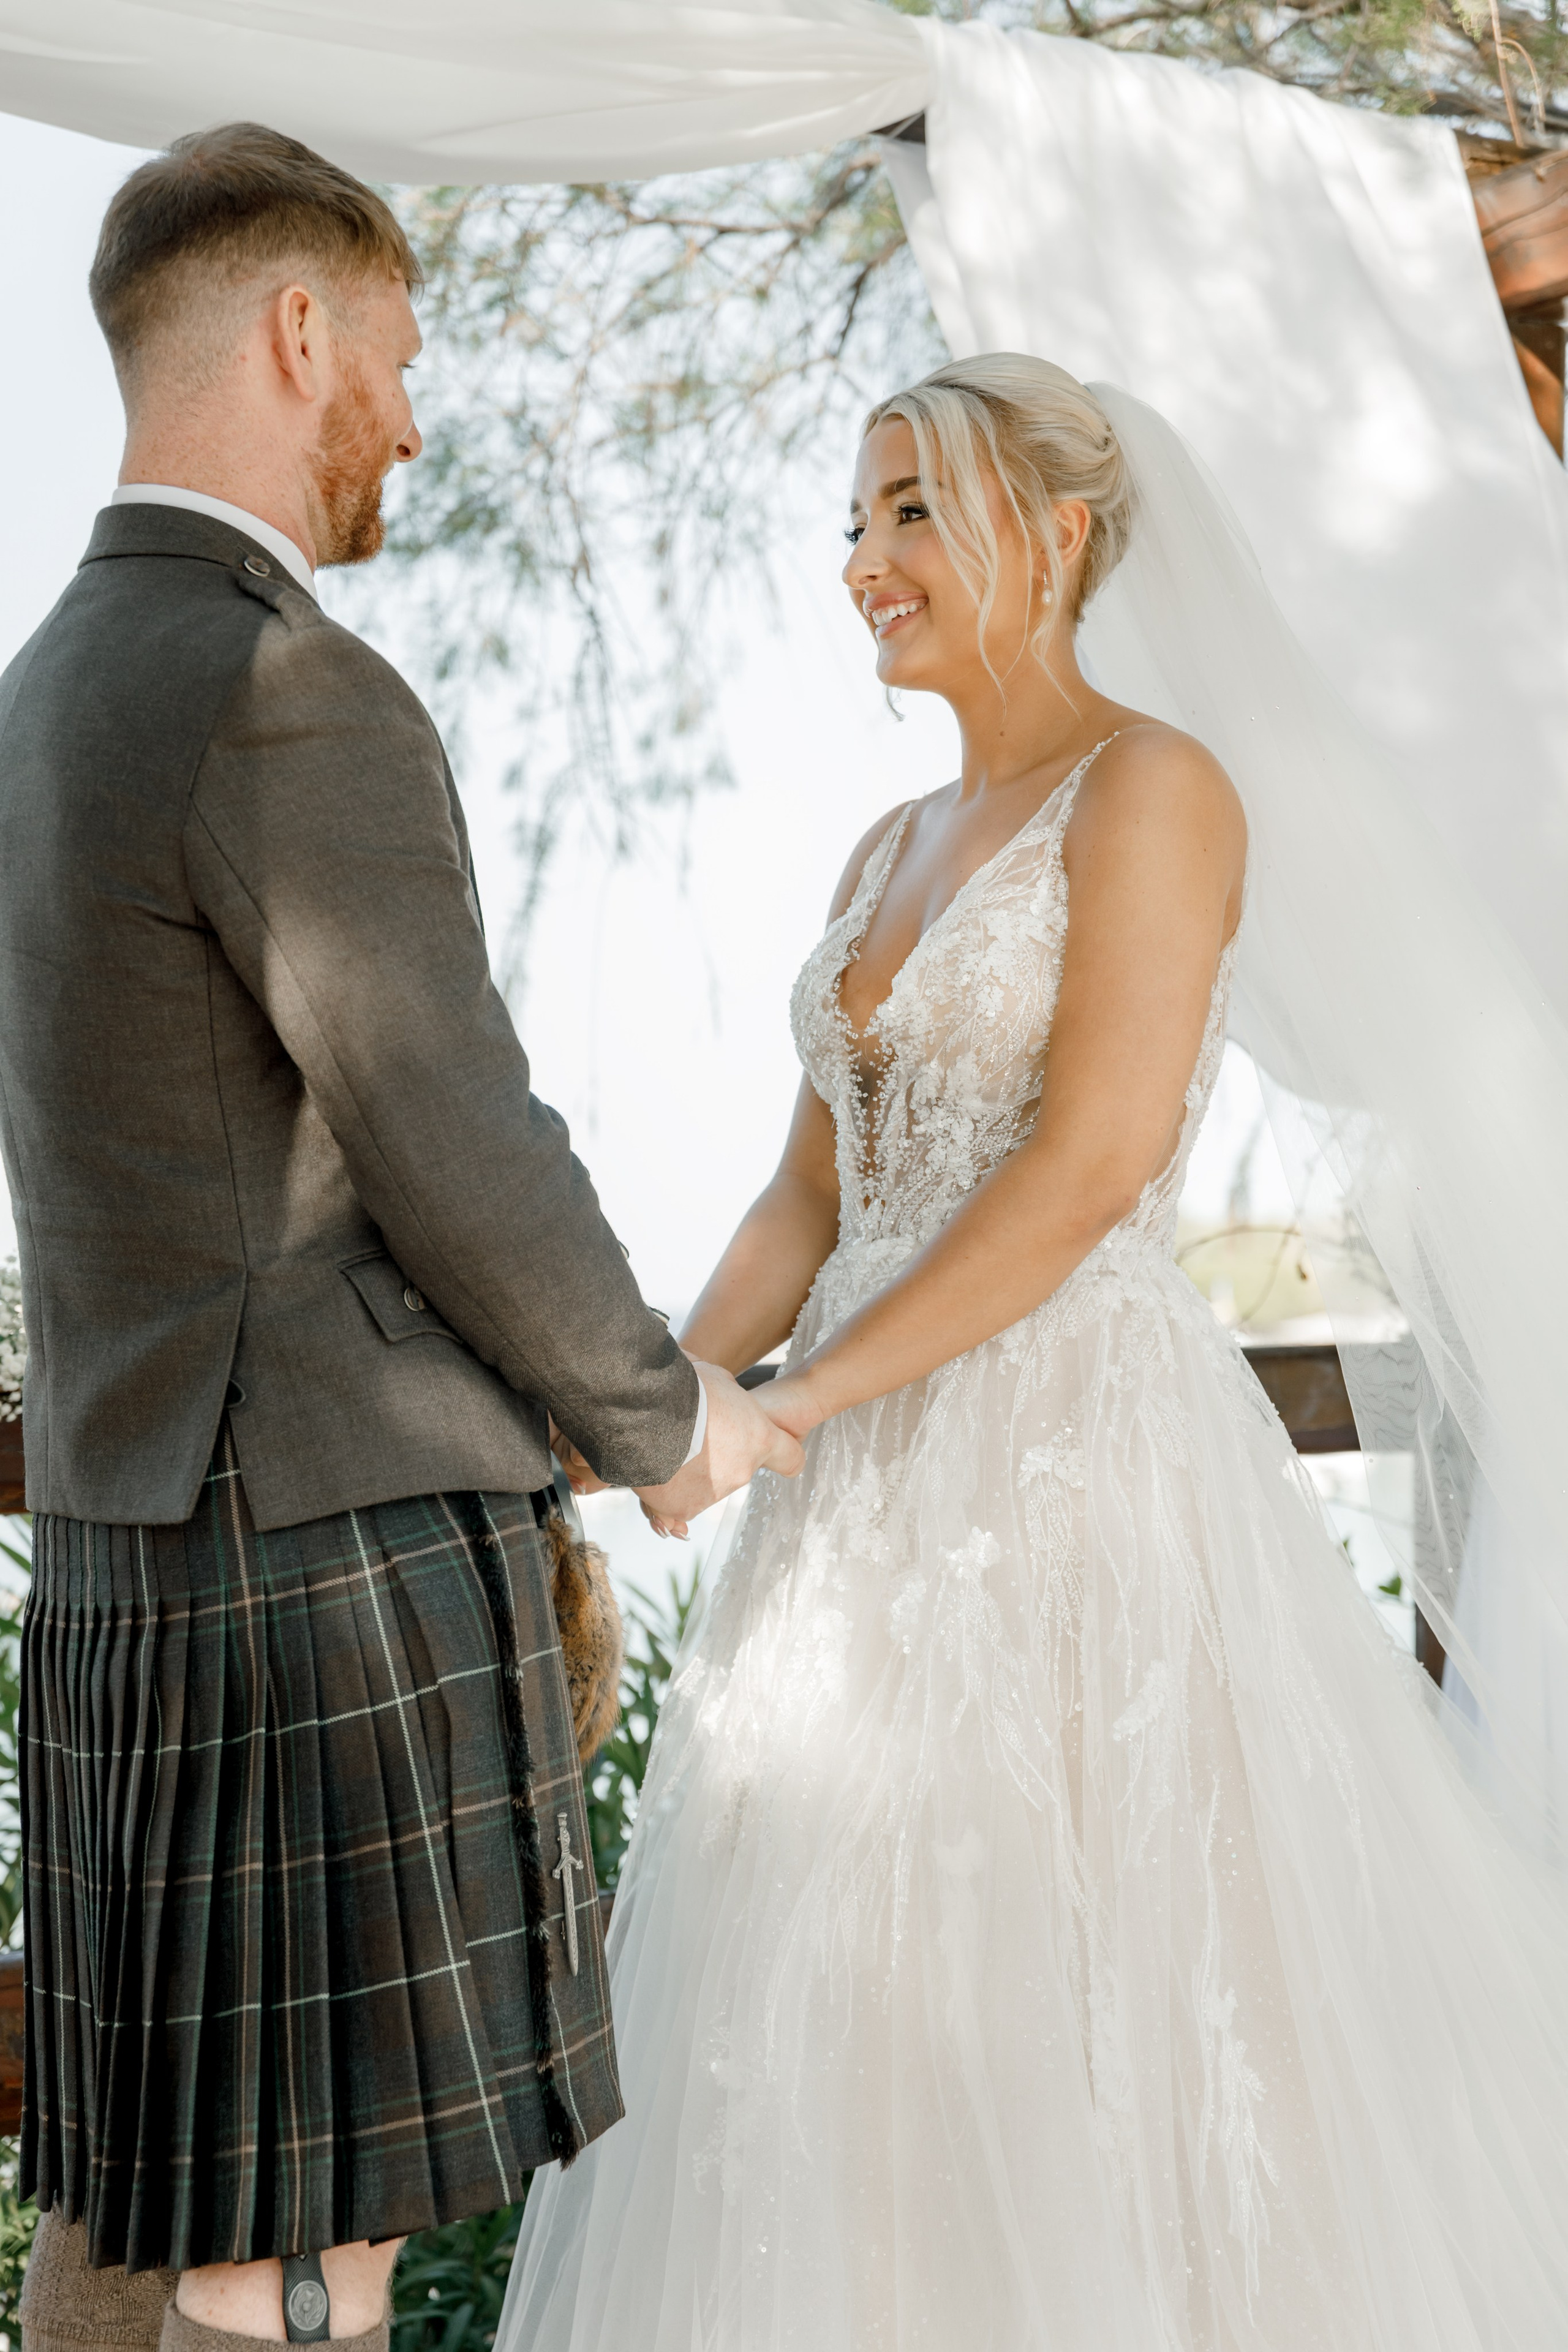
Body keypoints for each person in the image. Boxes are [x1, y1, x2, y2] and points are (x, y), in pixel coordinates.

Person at [514, 356, 1568, 2348]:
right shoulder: (879, 850)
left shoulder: (1158, 789)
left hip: (1071, 1463)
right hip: (848, 1493)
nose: (866, 560)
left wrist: (796, 1402)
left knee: (1101, 1970)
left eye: (913, 508)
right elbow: (806, 1200)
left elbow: (1090, 1165)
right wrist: (638, 1401)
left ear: (1060, 534)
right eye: (855, 519)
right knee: (844, 1990)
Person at [0, 123, 799, 2352]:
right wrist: (663, 1420)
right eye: (401, 356)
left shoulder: (46, 690)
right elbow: (455, 1136)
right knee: (304, 2260)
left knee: (160, 2203)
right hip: (325, 1556)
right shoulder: (282, 682)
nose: (415, 422)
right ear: (298, 331)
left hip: (130, 1542)